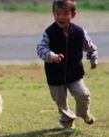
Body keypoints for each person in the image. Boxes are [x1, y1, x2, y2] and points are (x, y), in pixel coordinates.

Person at [36, 0, 98, 129]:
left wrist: (93, 60)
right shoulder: (49, 33)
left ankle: (84, 113)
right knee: (60, 101)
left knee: (83, 94)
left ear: (73, 15)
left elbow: (91, 48)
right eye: (57, 13)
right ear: (53, 14)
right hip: (55, 75)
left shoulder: (80, 32)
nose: (61, 17)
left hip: (75, 73)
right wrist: (51, 56)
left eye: (65, 14)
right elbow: (41, 49)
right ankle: (67, 120)